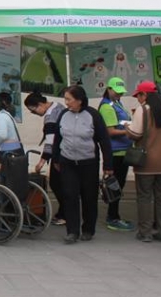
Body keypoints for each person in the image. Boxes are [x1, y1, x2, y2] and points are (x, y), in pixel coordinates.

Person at [51, 85, 113, 244]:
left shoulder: (93, 115)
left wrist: (108, 165)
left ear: (79, 100)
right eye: (65, 99)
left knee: (89, 196)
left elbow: (104, 141)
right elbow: (58, 139)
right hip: (67, 162)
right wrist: (56, 159)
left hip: (88, 163)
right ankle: (72, 231)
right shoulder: (64, 115)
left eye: (69, 99)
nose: (66, 103)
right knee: (69, 195)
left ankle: (88, 229)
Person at [126, 81, 161, 243]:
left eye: (139, 95)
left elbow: (135, 133)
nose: (138, 99)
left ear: (145, 95)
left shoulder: (143, 110)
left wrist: (127, 126)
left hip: (147, 162)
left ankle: (145, 232)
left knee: (144, 196)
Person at [97, 77, 135, 232]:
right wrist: (129, 132)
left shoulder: (117, 104)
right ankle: (113, 218)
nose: (119, 94)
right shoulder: (107, 107)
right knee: (115, 186)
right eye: (117, 92)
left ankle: (115, 215)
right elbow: (110, 131)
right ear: (109, 89)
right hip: (115, 152)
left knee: (119, 185)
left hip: (123, 150)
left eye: (121, 92)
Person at [25, 91, 67, 226]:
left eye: (33, 110)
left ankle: (65, 213)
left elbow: (51, 141)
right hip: (68, 151)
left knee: (56, 184)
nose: (35, 113)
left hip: (60, 153)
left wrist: (42, 161)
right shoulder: (59, 106)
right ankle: (65, 212)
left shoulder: (49, 116)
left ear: (40, 104)